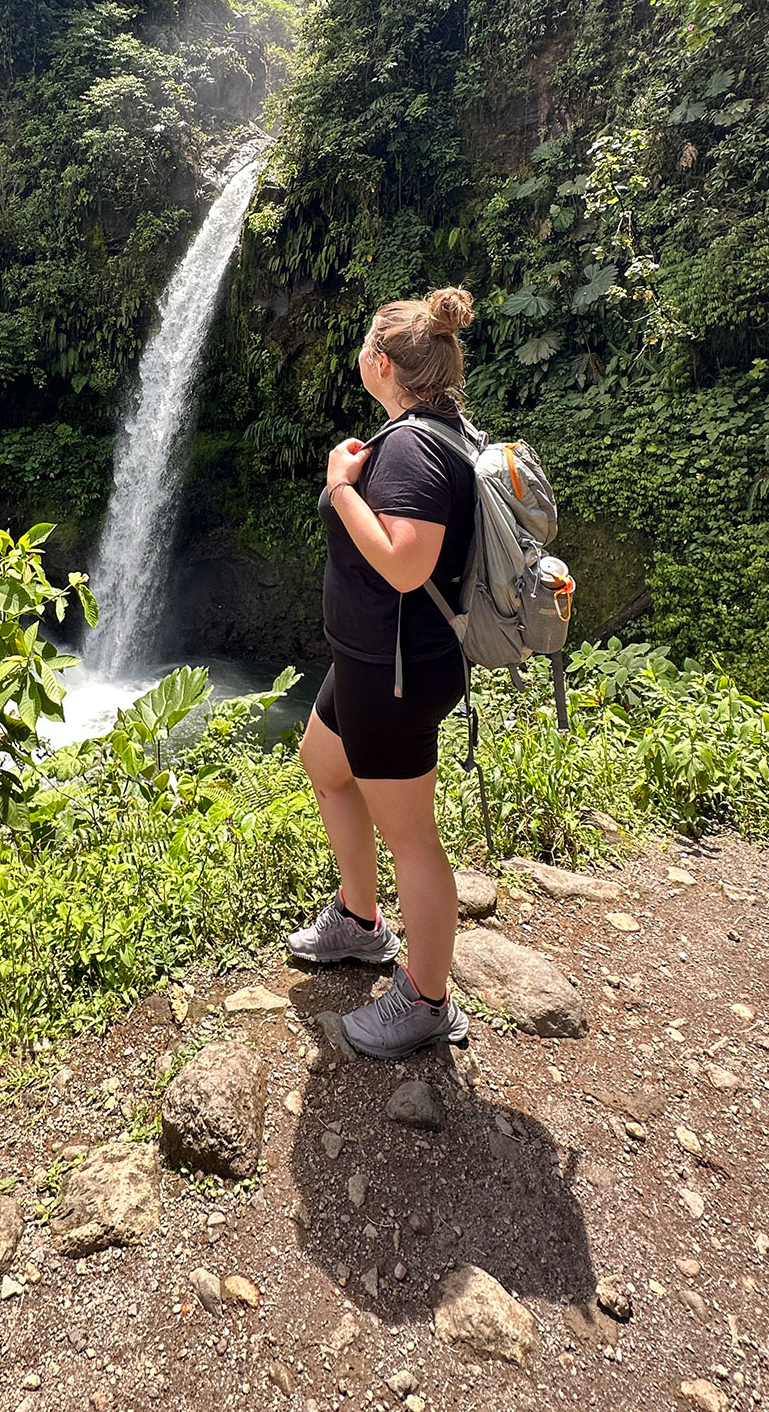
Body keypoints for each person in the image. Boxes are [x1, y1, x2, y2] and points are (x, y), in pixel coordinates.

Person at [288, 286, 478, 1058]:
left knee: (413, 837)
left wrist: (338, 485)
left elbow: (406, 564)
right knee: (322, 761)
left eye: (369, 343)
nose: (360, 352)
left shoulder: (412, 447)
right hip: (371, 659)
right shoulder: (427, 430)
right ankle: (361, 923)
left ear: (386, 363)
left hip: (397, 671)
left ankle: (428, 999)